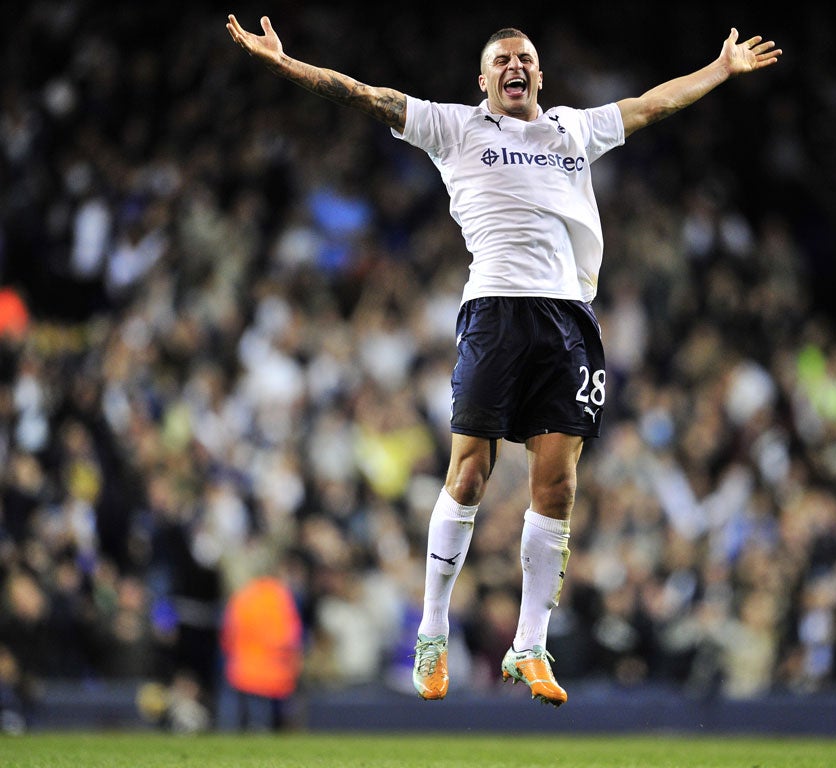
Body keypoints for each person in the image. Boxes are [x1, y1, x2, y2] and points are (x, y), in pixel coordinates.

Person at [226, 13, 781, 707]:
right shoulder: (454, 127)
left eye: (525, 57)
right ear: (482, 79)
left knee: (558, 487)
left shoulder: (573, 130)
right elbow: (364, 94)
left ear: (539, 75)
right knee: (471, 470)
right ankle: (432, 632)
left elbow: (650, 104)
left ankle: (530, 645)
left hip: (570, 322)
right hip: (494, 311)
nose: (515, 66)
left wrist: (720, 70)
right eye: (502, 60)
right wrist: (286, 65)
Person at [219, 573, 303, 731]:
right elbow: (290, 636)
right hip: (271, 668)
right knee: (262, 719)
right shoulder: (280, 598)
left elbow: (228, 632)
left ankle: (226, 734)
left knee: (233, 714)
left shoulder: (242, 596)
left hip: (241, 665)